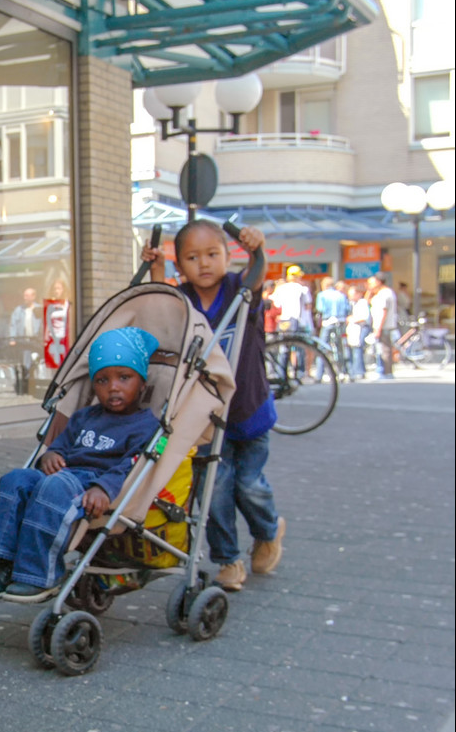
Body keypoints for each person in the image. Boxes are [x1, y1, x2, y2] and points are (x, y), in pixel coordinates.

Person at [142, 221, 285, 592]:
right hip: (205, 417)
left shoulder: (240, 290)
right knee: (215, 491)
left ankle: (268, 530)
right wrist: (156, 269)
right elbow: (161, 307)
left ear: (227, 255)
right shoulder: (184, 299)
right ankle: (228, 560)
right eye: (192, 257)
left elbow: (257, 273)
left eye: (212, 254)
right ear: (180, 264)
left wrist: (257, 249)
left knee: (250, 486)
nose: (203, 263)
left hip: (249, 412)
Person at [0, 327, 162, 600]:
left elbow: (131, 465)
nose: (113, 387)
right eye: (102, 380)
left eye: (125, 377)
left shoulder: (146, 426)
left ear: (143, 383)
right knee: (15, 479)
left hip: (91, 484)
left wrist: (103, 488)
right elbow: (62, 445)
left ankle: (39, 575)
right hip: (63, 475)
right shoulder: (84, 416)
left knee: (54, 486)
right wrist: (49, 456)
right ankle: (2, 564)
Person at [314, 277, 350, 380]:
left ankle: (319, 375)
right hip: (340, 321)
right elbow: (347, 309)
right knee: (340, 347)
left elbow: (320, 308)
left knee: (322, 348)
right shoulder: (341, 295)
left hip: (327, 321)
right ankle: (343, 372)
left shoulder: (322, 295)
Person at [367, 274, 398, 380]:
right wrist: (370, 291)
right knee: (383, 348)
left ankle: (386, 371)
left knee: (384, 349)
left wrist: (378, 328)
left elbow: (383, 311)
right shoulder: (382, 293)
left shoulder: (384, 294)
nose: (370, 285)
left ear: (379, 282)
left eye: (372, 283)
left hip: (383, 325)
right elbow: (368, 301)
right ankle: (386, 371)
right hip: (382, 325)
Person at [271, 265, 312, 333]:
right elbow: (307, 307)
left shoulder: (281, 288)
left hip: (284, 321)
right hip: (299, 322)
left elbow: (276, 305)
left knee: (284, 341)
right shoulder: (303, 289)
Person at [345, 283, 370, 380]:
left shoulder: (362, 303)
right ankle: (356, 370)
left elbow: (364, 317)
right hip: (353, 329)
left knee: (357, 350)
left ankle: (359, 371)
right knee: (354, 350)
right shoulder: (352, 304)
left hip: (361, 328)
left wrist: (353, 319)